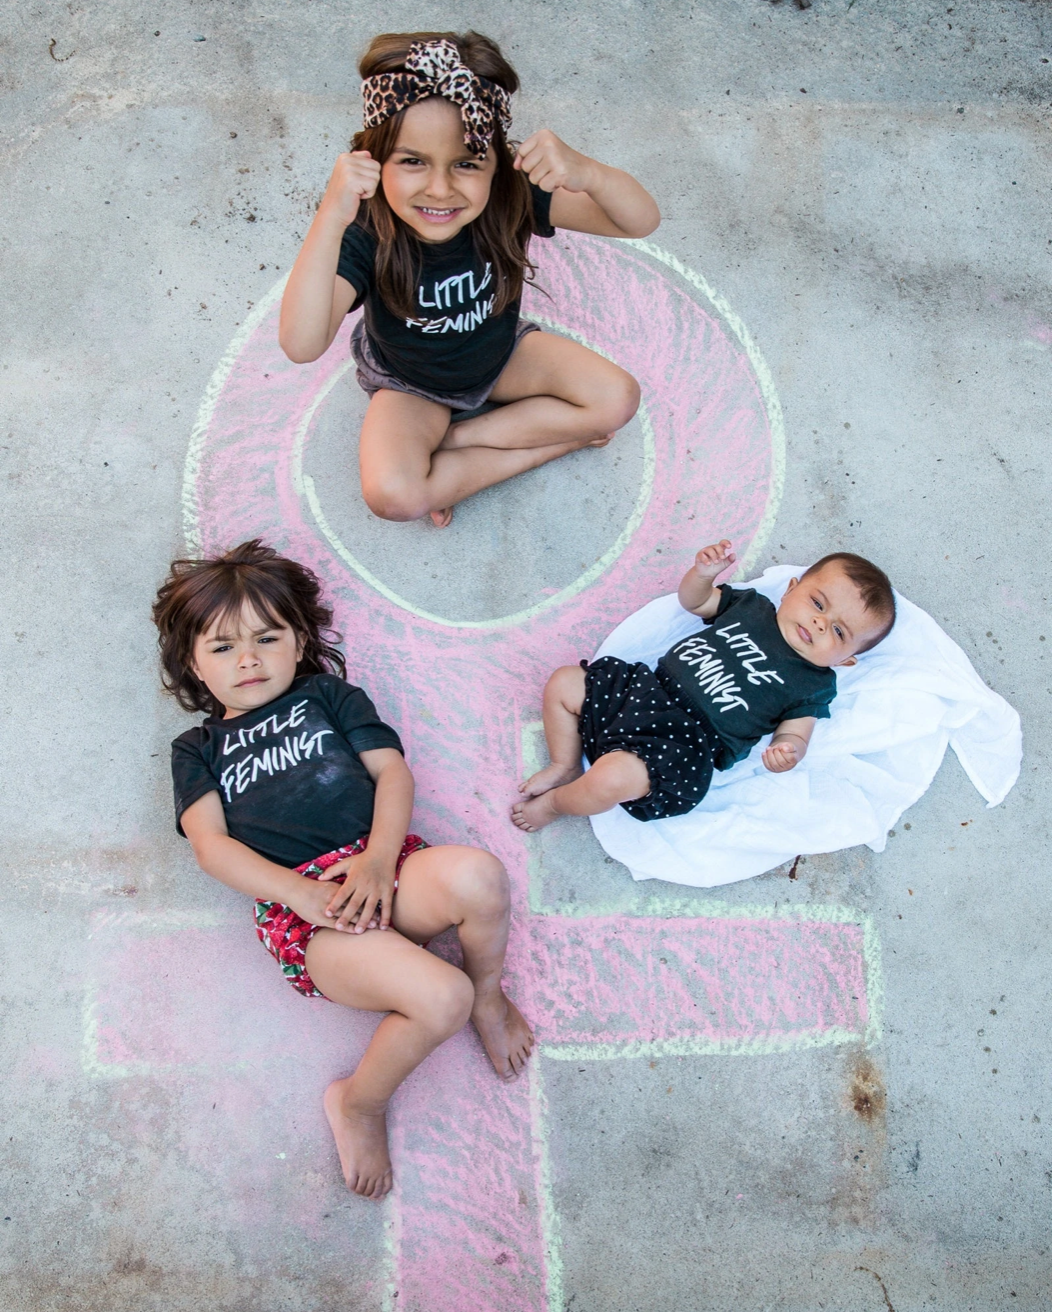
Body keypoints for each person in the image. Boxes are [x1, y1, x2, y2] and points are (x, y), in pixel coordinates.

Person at [152, 540, 533, 1200]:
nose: (247, 659)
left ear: (299, 642)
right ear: (193, 664)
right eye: (221, 648)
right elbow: (212, 847)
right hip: (310, 917)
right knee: (442, 999)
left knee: (479, 876)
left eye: (266, 638)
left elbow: (392, 773)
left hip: (382, 864)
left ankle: (491, 992)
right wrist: (298, 893)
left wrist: (381, 860)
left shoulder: (328, 696)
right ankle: (358, 1101)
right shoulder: (199, 749)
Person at [278, 30, 660, 527]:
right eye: (412, 161)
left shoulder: (511, 194)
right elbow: (302, 343)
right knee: (392, 495)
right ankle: (540, 446)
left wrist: (586, 171)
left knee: (617, 399)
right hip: (410, 381)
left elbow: (639, 221)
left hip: (502, 354)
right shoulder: (367, 227)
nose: (440, 189)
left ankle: (456, 448)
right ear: (371, 160)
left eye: (466, 163)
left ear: (498, 164)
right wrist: (331, 213)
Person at [512, 540, 896, 831]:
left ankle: (556, 805)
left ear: (845, 660)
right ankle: (565, 764)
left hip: (685, 744)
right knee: (565, 683)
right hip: (645, 691)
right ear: (791, 589)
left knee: (610, 780)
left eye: (838, 631)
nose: (819, 623)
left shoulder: (813, 682)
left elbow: (797, 732)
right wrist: (703, 574)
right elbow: (694, 602)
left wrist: (787, 750)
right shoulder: (751, 607)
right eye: (817, 603)